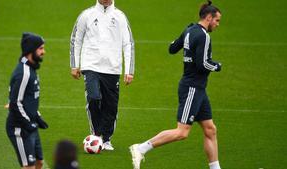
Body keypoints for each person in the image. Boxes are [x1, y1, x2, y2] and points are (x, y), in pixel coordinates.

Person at [130, 1, 222, 169]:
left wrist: (184, 42)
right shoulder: (204, 36)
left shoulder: (189, 30)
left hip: (198, 89)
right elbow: (203, 64)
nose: (217, 25)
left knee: (210, 129)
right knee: (182, 132)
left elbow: (172, 48)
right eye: (217, 21)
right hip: (192, 88)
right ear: (208, 17)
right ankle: (140, 148)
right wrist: (217, 66)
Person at [70, 0, 135, 151]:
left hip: (113, 68)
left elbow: (128, 43)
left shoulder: (120, 17)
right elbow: (76, 39)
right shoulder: (86, 15)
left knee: (110, 106)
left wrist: (129, 70)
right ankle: (96, 134)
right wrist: (74, 65)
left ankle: (106, 139)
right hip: (91, 65)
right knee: (93, 97)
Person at [6, 32, 48, 169]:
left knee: (39, 162)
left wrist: (37, 117)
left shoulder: (32, 69)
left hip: (30, 125)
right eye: (40, 49)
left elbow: (29, 100)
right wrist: (28, 123)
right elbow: (15, 103)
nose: (44, 52)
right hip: (19, 127)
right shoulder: (24, 73)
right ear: (31, 50)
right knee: (28, 166)